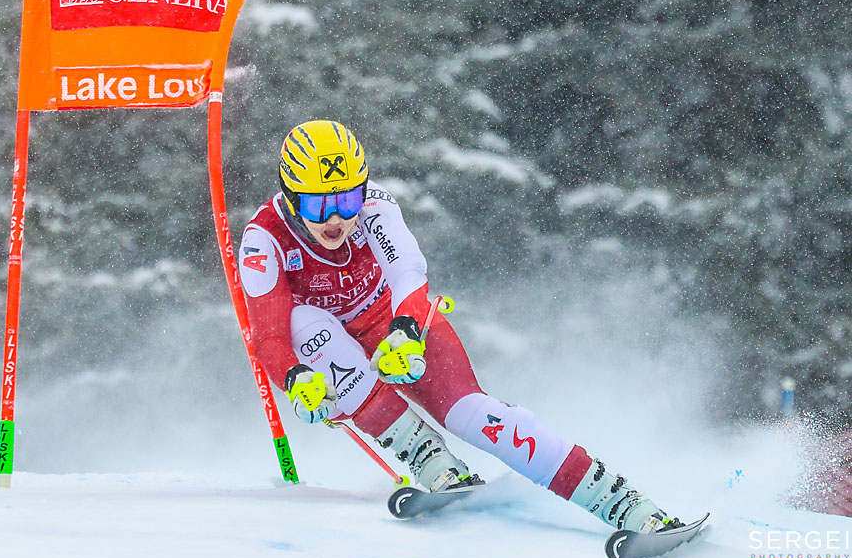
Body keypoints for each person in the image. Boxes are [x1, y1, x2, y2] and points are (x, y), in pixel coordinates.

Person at [238, 120, 683, 533]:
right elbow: (270, 337)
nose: (336, 220)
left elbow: (408, 275)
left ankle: (625, 504)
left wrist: (406, 331)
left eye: (346, 201)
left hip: (391, 321)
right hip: (328, 342)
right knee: (305, 321)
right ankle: (429, 459)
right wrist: (297, 381)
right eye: (319, 206)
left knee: (474, 415)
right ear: (292, 197)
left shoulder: (375, 206)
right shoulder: (264, 239)